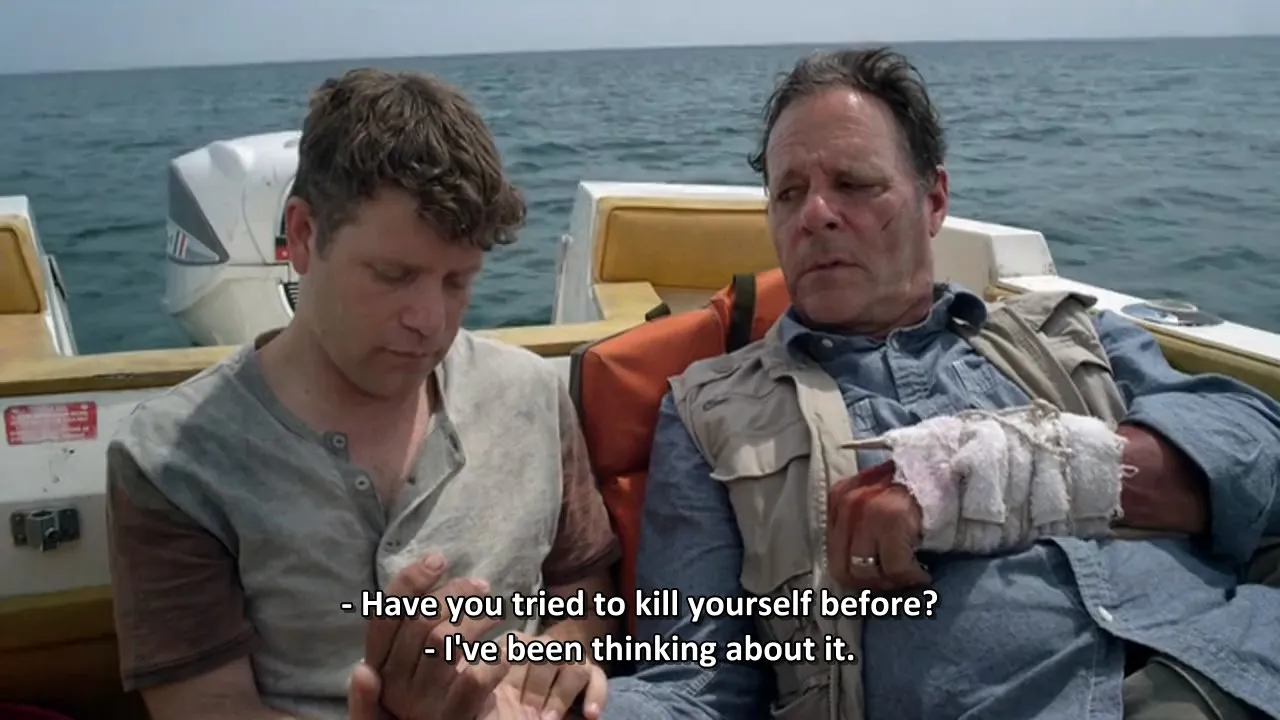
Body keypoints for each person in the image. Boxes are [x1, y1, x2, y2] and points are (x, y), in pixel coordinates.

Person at [600, 47, 1280, 719]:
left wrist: (965, 479)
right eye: (789, 193)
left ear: (934, 200)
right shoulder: (709, 413)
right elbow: (696, 685)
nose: (815, 214)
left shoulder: (1069, 333)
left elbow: (1257, 456)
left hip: (1232, 662)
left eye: (854, 184)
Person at [105, 68, 619, 720]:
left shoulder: (532, 394)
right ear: (302, 235)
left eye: (458, 282)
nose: (429, 319)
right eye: (393, 275)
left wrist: (560, 658)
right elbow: (204, 708)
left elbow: (582, 583)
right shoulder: (171, 462)